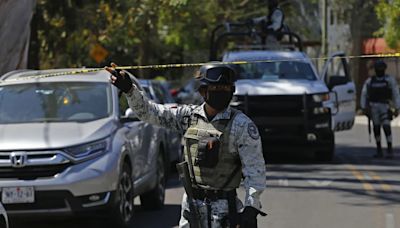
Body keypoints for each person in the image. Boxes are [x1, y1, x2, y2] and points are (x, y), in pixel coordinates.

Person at [106, 62, 267, 227]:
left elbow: (255, 171)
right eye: (216, 88)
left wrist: (251, 207)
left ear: (232, 90)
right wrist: (129, 90)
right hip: (192, 209)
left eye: (225, 89)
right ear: (203, 91)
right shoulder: (188, 117)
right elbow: (149, 113)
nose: (221, 93)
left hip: (226, 211)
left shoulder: (242, 126)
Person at [360, 60, 400, 159]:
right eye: (378, 69)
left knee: (386, 127)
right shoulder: (370, 81)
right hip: (374, 107)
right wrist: (364, 107)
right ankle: (379, 150)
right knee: (376, 128)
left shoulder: (389, 80)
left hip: (385, 106)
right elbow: (364, 94)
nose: (380, 71)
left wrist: (397, 107)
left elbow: (395, 93)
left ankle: (389, 149)